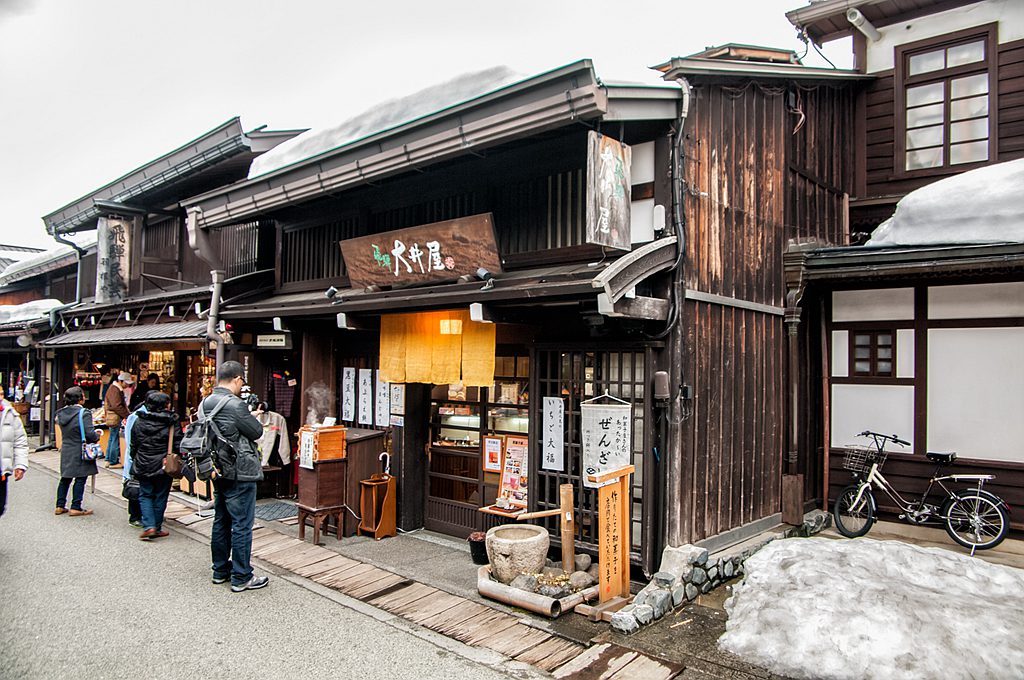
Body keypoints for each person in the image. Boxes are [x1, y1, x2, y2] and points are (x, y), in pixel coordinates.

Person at [202, 360, 268, 592]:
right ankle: (241, 575)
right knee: (241, 523)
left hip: (218, 469)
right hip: (240, 471)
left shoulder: (206, 403)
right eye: (242, 381)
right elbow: (255, 432)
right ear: (238, 379)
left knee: (221, 519)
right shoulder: (235, 404)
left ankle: (220, 570)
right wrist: (253, 416)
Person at [129, 391, 182, 541]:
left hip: (143, 462)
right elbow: (178, 444)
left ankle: (149, 526)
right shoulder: (171, 422)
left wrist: (134, 458)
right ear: (166, 405)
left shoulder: (139, 421)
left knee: (145, 494)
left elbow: (134, 444)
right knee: (161, 495)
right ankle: (156, 527)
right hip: (164, 464)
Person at [54, 386, 99, 516]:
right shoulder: (83, 413)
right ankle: (75, 506)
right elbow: (89, 433)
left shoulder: (61, 413)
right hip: (80, 448)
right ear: (79, 399)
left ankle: (60, 505)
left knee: (65, 477)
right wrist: (97, 436)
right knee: (80, 478)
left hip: (67, 447)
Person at [0, 394, 29, 517]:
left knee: (0, 507)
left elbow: (20, 440)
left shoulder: (9, 413)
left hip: (1, 469)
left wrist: (20, 465)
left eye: (1, 394)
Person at [122, 401, 146, 527]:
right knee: (135, 485)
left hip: (143, 458)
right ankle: (135, 516)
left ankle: (142, 515)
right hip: (137, 457)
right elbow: (130, 441)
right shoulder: (135, 417)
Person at [103, 371, 134, 468]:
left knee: (112, 437)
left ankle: (109, 459)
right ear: (121, 381)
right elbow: (117, 406)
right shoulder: (115, 389)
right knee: (114, 437)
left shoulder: (114, 388)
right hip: (115, 417)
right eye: (126, 383)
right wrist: (127, 415)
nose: (127, 386)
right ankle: (113, 461)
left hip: (113, 417)